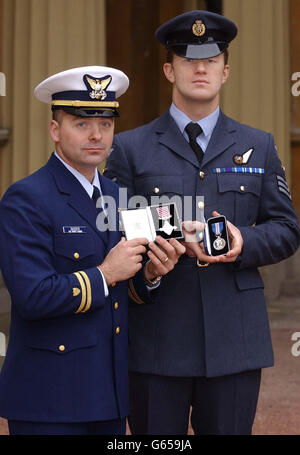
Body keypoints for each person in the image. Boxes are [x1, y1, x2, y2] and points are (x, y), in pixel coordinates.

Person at [105, 11, 300, 435]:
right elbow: (111, 233)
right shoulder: (130, 149)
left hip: (234, 341)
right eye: (188, 58)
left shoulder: (258, 145)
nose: (200, 68)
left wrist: (242, 239)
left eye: (211, 60)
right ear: (168, 69)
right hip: (158, 342)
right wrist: (150, 271)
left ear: (225, 71)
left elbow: (287, 229)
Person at [0, 65, 185, 435]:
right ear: (55, 130)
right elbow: (32, 296)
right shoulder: (26, 198)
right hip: (50, 397)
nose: (96, 135)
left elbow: (121, 292)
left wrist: (148, 275)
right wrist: (104, 273)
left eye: (105, 123)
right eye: (81, 124)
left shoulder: (120, 197)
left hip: (110, 392)